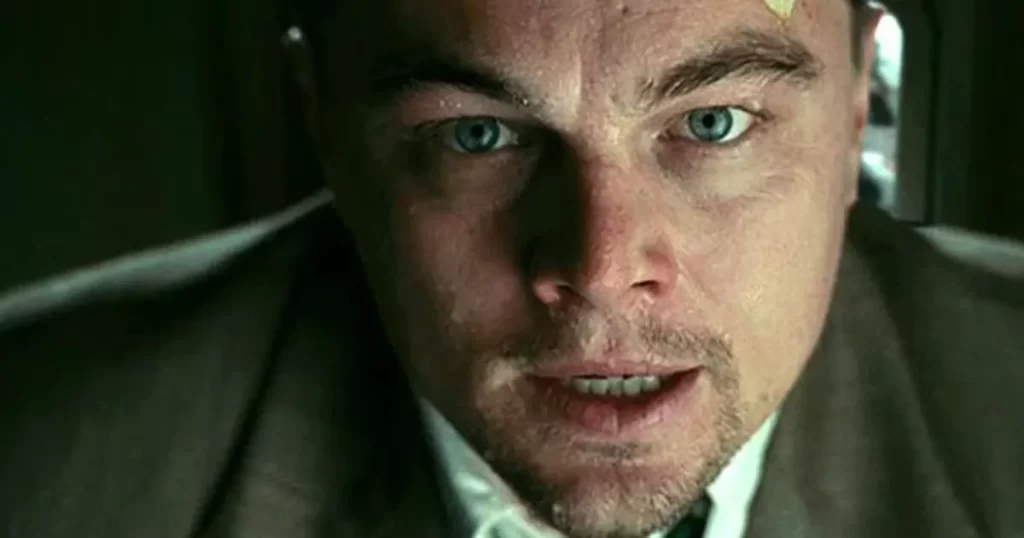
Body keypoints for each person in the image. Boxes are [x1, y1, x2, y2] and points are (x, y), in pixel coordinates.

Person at [1, 0, 1023, 537]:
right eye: (478, 135)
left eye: (713, 122)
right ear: (325, 123)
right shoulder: (42, 458)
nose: (601, 268)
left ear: (856, 104)